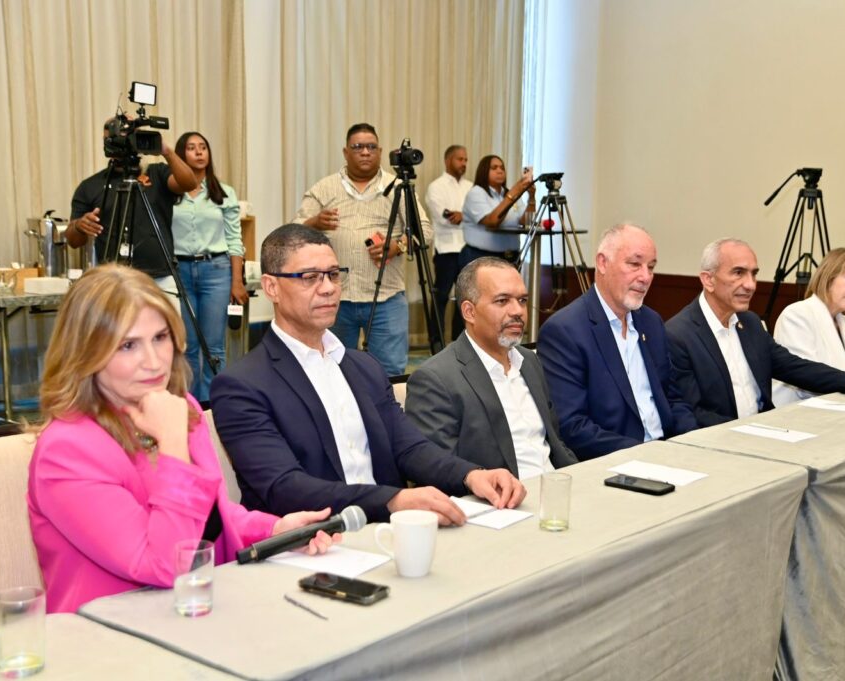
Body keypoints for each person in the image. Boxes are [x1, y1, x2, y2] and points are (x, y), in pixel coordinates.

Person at [27, 265, 339, 614]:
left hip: (196, 609)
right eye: (128, 345)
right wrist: (173, 444)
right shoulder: (67, 450)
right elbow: (164, 564)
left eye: (160, 337)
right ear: (86, 354)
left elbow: (206, 517)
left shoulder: (179, 408)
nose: (153, 361)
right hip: (111, 632)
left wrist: (275, 529)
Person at [209, 224, 525, 525]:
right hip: (309, 541)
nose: (328, 288)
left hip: (390, 531)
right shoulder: (242, 385)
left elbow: (409, 448)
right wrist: (392, 500)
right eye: (310, 277)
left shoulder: (363, 367)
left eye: (334, 274)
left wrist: (471, 475)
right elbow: (284, 487)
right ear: (271, 287)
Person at [665, 238, 845, 428]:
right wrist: (750, 433)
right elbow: (691, 413)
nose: (750, 284)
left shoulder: (750, 324)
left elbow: (795, 367)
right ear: (708, 280)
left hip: (765, 431)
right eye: (738, 273)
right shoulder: (679, 334)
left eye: (754, 273)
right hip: (723, 441)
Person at [536, 224, 696, 460]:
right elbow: (572, 427)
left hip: (668, 452)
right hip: (614, 463)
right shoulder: (565, 331)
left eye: (651, 267)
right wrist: (648, 454)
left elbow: (672, 398)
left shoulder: (651, 322)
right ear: (602, 263)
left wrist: (695, 442)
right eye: (634, 264)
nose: (645, 277)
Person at [405, 257, 577, 478]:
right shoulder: (435, 379)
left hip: (557, 485)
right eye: (502, 301)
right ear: (469, 312)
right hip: (498, 495)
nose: (518, 311)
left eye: (522, 300)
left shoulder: (529, 361)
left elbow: (554, 442)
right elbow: (436, 469)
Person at [293, 123, 432, 376]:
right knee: (331, 368)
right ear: (346, 152)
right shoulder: (324, 188)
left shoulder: (398, 187)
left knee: (390, 371)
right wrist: (314, 223)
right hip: (334, 297)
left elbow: (424, 230)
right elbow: (293, 232)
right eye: (358, 147)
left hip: (386, 298)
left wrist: (397, 246)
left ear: (380, 151)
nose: (365, 152)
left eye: (371, 147)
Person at [67, 118, 199, 294]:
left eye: (126, 137)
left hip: (160, 278)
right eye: (113, 139)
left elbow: (189, 183)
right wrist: (78, 226)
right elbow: (73, 241)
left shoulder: (157, 173)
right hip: (113, 280)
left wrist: (166, 151)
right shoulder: (90, 186)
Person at [171, 131, 247, 401]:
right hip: (180, 272)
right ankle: (190, 407)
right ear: (181, 155)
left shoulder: (223, 192)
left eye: (203, 147)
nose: (199, 152)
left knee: (214, 347)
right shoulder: (171, 194)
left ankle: (214, 406)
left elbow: (235, 240)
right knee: (187, 347)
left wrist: (237, 281)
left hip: (216, 271)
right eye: (191, 148)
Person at [772, 248, 845, 405]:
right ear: (829, 277)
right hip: (796, 411)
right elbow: (806, 380)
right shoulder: (797, 314)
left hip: (839, 406)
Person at [425, 145, 473, 344]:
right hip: (445, 250)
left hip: (467, 248)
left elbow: (479, 217)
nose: (463, 163)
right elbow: (445, 217)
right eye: (459, 159)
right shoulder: (436, 186)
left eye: (465, 159)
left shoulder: (471, 187)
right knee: (441, 297)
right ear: (448, 160)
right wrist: (466, 216)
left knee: (465, 298)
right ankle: (436, 342)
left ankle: (460, 342)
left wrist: (464, 215)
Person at [460, 155, 535, 267]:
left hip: (510, 258)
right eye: (494, 168)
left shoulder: (509, 193)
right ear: (484, 171)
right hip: (482, 258)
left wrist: (532, 197)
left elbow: (526, 221)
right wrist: (513, 194)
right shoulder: (476, 193)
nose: (500, 171)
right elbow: (492, 221)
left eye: (502, 168)